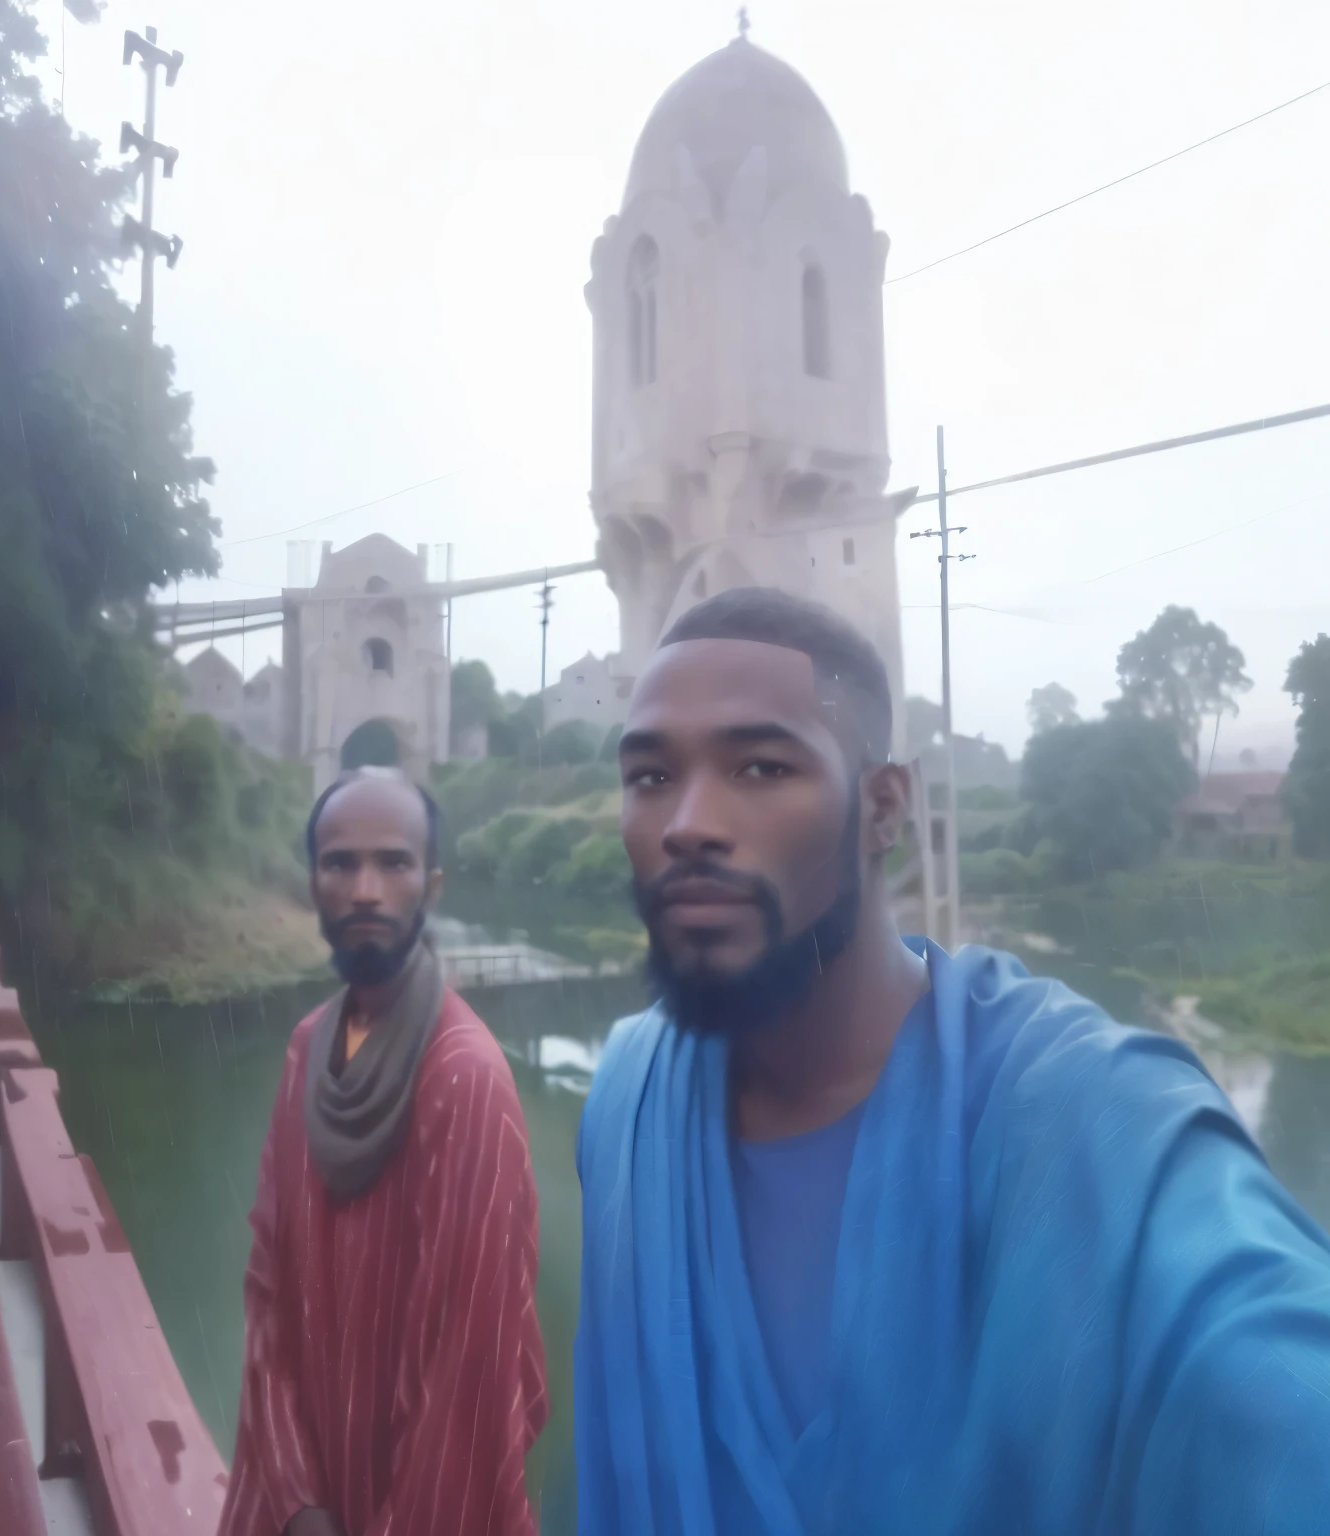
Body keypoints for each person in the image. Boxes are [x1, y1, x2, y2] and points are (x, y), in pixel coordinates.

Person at [573, 587, 1330, 1536]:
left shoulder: (1091, 1121)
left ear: (885, 804)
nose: (686, 822)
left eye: (761, 766)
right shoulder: (628, 1104)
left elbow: (1273, 1373)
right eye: (649, 776)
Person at [220, 769, 548, 1536]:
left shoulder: (463, 1081)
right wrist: (297, 1497)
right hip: (307, 1495)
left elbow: (470, 1371)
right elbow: (269, 1286)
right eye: (340, 864)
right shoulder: (309, 1049)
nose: (365, 888)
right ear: (313, 884)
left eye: (393, 864)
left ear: (430, 885)